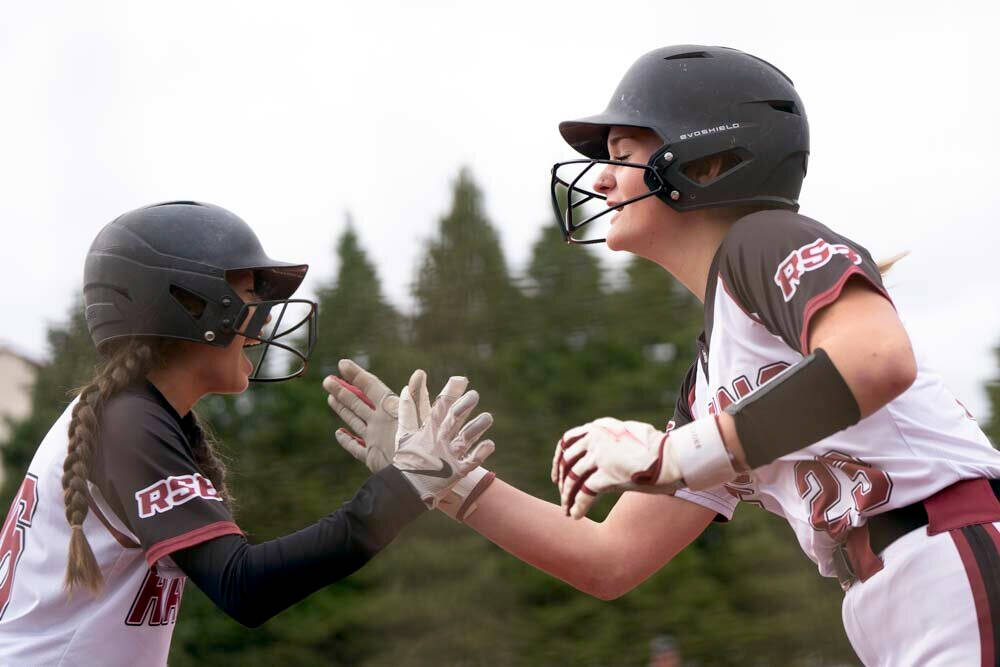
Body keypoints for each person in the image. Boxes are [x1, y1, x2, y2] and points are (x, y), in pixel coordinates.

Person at [326, 46, 1000, 665]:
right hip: (907, 586)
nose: (599, 182)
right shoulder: (714, 374)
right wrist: (450, 483)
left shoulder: (760, 241)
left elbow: (877, 358)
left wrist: (674, 456)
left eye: (621, 152)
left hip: (951, 555)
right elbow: (610, 558)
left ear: (708, 162)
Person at [0, 201, 495, 666]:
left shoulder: (133, 415)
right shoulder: (128, 423)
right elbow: (245, 586)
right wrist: (407, 485)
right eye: (250, 294)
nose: (260, 324)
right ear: (188, 304)